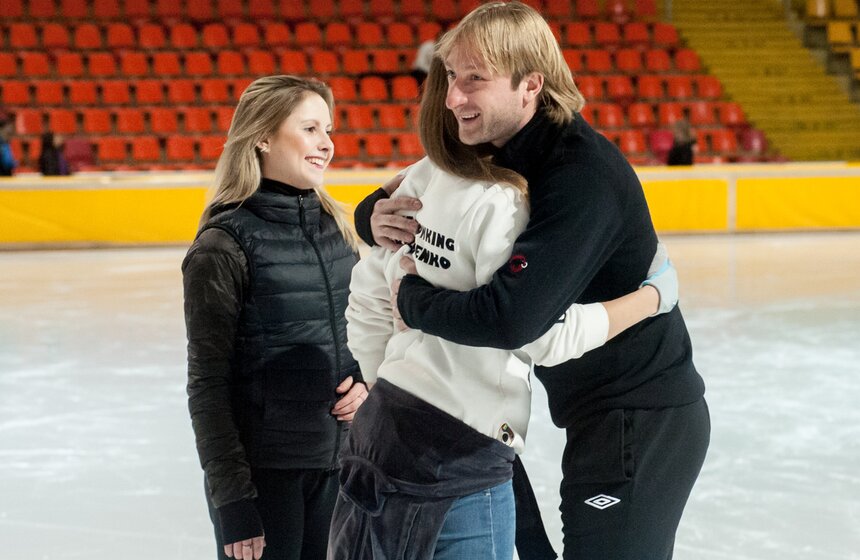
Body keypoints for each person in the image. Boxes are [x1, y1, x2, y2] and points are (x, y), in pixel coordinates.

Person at [353, 3, 710, 559]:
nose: (453, 97)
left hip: (639, 417)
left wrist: (410, 297)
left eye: (474, 79)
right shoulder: (498, 146)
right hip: (562, 409)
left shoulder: (581, 178)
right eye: (451, 77)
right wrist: (369, 215)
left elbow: (511, 318)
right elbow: (410, 188)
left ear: (530, 86)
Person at [182, 75, 369, 560]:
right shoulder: (223, 246)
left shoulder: (337, 230)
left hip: (340, 470)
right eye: (310, 129)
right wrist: (234, 503)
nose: (327, 144)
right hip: (264, 484)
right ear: (263, 136)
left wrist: (366, 381)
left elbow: (363, 336)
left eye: (328, 129)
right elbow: (207, 384)